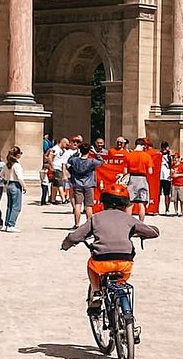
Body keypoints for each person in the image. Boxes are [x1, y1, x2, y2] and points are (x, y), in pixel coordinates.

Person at [62, 183, 159, 326]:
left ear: (103, 203)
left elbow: (76, 236)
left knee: (91, 264)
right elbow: (153, 232)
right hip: (124, 262)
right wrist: (138, 233)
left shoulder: (96, 218)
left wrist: (66, 244)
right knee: (120, 282)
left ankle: (96, 293)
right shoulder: (129, 219)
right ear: (126, 204)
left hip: (101, 261)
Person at [67, 141, 104, 227]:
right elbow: (101, 161)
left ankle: (76, 223)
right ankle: (89, 224)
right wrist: (95, 153)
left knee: (77, 204)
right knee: (89, 205)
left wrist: (76, 153)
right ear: (88, 151)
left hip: (77, 183)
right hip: (89, 184)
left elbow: (69, 160)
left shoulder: (75, 160)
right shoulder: (91, 162)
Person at [125, 137, 160, 218]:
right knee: (142, 202)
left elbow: (125, 171)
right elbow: (150, 171)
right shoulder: (147, 156)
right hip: (142, 179)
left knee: (130, 202)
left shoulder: (129, 155)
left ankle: (127, 221)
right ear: (143, 146)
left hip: (132, 179)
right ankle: (141, 222)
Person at [3, 147, 25, 231]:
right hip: (16, 184)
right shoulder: (16, 165)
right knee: (16, 206)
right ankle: (11, 224)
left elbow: (2, 174)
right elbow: (19, 177)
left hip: (9, 183)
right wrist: (24, 186)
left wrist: (6, 180)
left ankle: (7, 224)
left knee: (10, 205)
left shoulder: (7, 164)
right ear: (18, 155)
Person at [170, 150, 183, 216]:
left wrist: (178, 175)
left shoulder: (182, 166)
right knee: (174, 199)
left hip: (181, 184)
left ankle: (182, 211)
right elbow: (172, 174)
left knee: (181, 199)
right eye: (174, 158)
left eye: (175, 158)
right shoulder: (173, 166)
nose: (174, 160)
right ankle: (176, 211)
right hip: (174, 184)